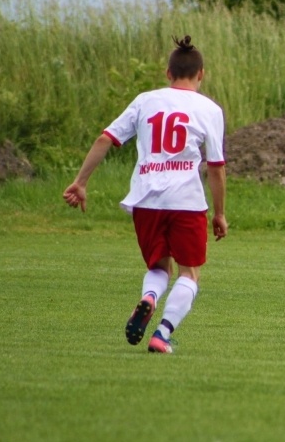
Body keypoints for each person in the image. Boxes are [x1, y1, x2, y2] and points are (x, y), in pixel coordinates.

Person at [63, 35, 227, 354]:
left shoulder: (146, 100)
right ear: (201, 74)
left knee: (158, 267)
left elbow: (105, 139)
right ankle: (162, 334)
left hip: (146, 199)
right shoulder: (209, 109)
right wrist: (219, 213)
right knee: (189, 273)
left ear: (168, 73)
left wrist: (80, 182)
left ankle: (149, 297)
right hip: (186, 202)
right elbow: (216, 167)